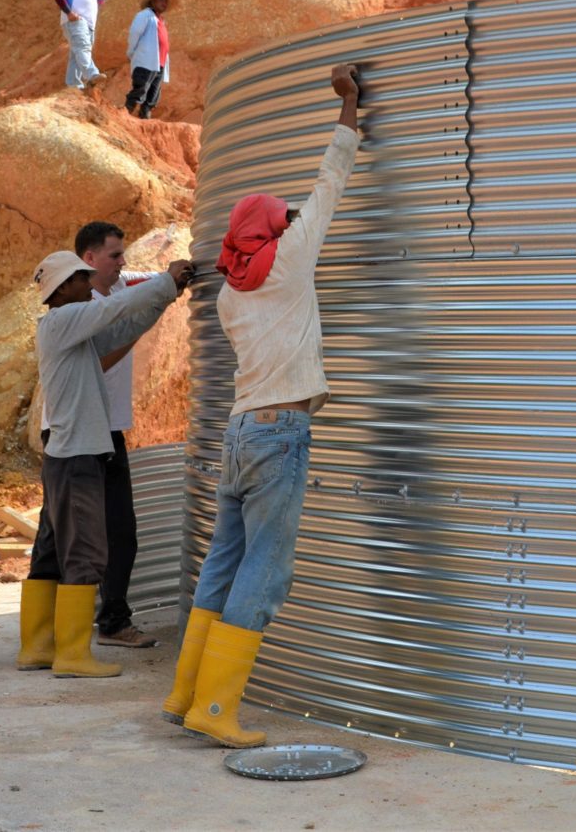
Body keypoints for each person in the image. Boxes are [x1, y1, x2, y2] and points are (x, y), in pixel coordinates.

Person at [161, 62, 364, 745]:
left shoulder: (230, 291)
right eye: (282, 222)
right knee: (266, 569)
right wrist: (350, 103)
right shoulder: (290, 259)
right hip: (281, 431)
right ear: (275, 231)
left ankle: (186, 692)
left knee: (223, 558)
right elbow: (329, 182)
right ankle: (216, 710)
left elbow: (267, 240)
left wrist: (275, 230)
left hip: (241, 430)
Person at [18, 246, 191, 679]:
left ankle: (37, 647)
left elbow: (121, 327)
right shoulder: (63, 320)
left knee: (51, 551)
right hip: (77, 457)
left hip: (67, 455)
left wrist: (166, 297)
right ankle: (73, 656)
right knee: (86, 552)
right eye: (81, 278)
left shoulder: (68, 330)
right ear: (63, 288)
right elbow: (115, 307)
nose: (89, 284)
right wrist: (165, 281)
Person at [52, 0, 105, 91]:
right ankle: (92, 74)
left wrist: (92, 9)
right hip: (75, 20)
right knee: (82, 48)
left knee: (76, 53)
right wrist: (69, 13)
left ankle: (74, 86)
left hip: (89, 23)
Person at [124, 0, 171, 119]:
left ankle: (145, 116)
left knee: (153, 92)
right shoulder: (144, 15)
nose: (164, 3)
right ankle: (125, 113)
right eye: (160, 0)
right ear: (152, 2)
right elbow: (135, 33)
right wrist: (131, 51)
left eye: (165, 0)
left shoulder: (160, 20)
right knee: (141, 88)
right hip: (146, 60)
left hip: (159, 62)